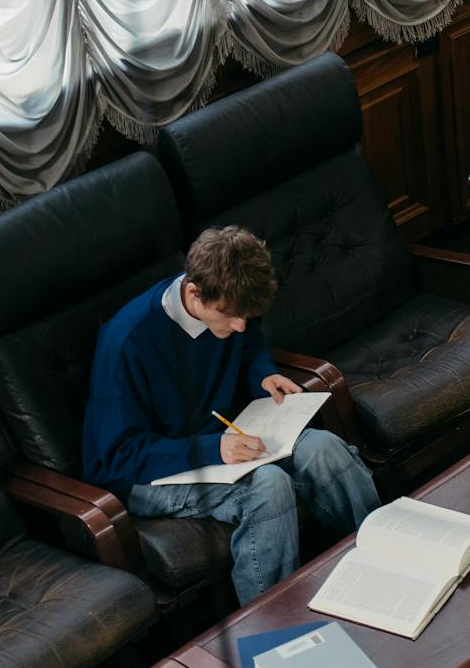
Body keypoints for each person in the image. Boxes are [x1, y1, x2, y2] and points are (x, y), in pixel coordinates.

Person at [82, 225, 379, 604]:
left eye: (247, 316)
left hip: (220, 440)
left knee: (324, 448)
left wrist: (263, 373)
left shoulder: (229, 297)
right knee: (267, 487)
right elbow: (118, 458)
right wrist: (213, 449)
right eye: (231, 317)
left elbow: (249, 336)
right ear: (194, 293)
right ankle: (271, 624)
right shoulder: (126, 343)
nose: (239, 326)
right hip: (147, 471)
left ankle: (378, 565)